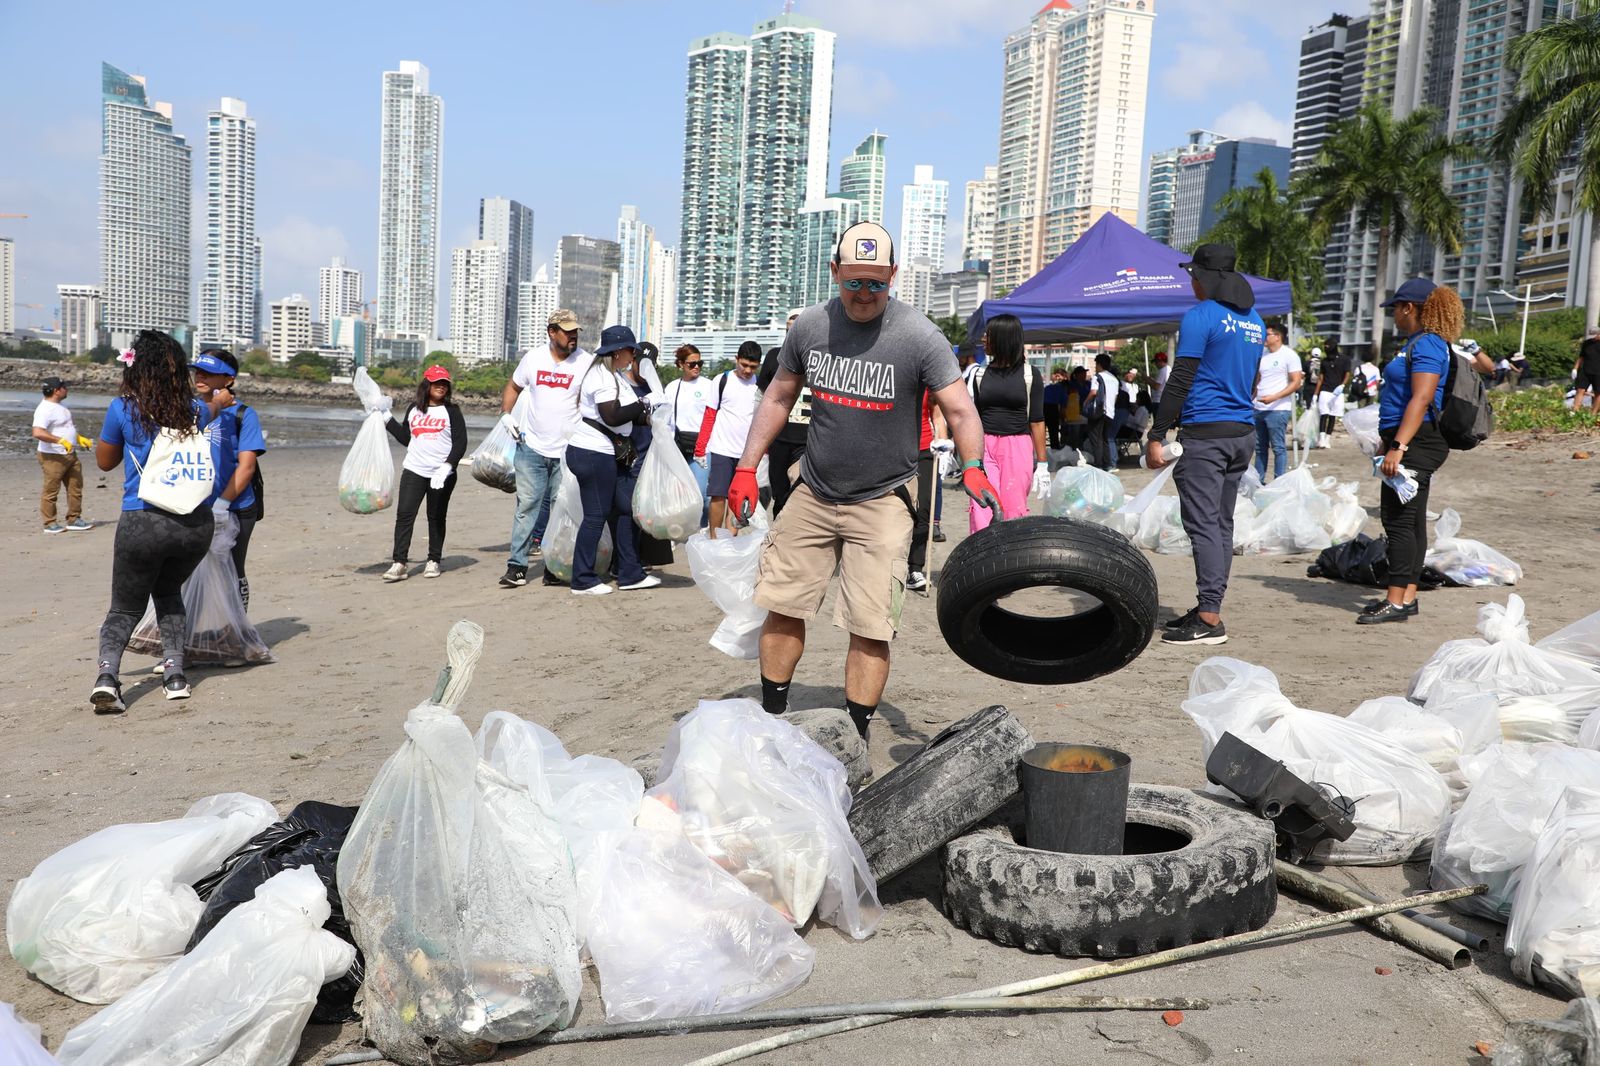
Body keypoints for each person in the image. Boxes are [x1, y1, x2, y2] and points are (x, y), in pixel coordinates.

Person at [728, 221, 997, 740]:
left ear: (893, 276)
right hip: (813, 487)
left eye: (876, 283)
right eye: (854, 282)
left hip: (884, 498)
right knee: (782, 607)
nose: (865, 294)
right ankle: (771, 719)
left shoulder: (919, 336)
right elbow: (779, 398)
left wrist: (976, 465)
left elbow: (960, 411)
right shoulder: (809, 327)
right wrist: (745, 468)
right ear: (835, 273)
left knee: (871, 627)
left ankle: (854, 736)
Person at [92, 330, 231, 712]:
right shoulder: (196, 410)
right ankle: (175, 676)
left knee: (124, 607)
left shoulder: (123, 408)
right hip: (193, 525)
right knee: (169, 595)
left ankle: (107, 678)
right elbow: (214, 413)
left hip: (143, 521)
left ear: (135, 365)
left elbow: (105, 462)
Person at [1144, 243, 1265, 646]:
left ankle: (1210, 617)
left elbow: (1180, 379)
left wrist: (1157, 433)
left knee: (1203, 526)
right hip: (1242, 432)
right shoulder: (1255, 321)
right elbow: (1251, 382)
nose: (1190, 282)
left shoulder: (1201, 316)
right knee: (1221, 524)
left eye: (1193, 275)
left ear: (1207, 278)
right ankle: (1209, 606)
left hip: (1207, 434)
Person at [1359, 279, 1493, 624]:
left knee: (1399, 521)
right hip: (1408, 440)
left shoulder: (1429, 344)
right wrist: (1388, 442)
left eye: (1396, 310)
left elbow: (1421, 397)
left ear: (1409, 308)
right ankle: (1408, 595)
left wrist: (1399, 447)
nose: (1394, 318)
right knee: (1411, 520)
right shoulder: (1416, 343)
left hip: (1418, 443)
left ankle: (1396, 601)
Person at [500, 308, 593, 588]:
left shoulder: (586, 362)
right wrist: (506, 414)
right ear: (552, 332)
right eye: (567, 331)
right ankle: (517, 566)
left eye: (575, 330)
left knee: (560, 511)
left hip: (568, 451)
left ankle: (553, 566)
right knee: (527, 506)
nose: (573, 336)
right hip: (532, 448)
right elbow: (514, 386)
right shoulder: (533, 358)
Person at [567, 325, 662, 596]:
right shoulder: (601, 376)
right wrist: (646, 402)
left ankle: (629, 572)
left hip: (605, 451)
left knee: (625, 508)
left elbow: (629, 414)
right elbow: (612, 415)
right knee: (595, 517)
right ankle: (582, 579)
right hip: (592, 452)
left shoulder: (614, 375)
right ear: (619, 352)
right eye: (631, 350)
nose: (634, 355)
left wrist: (651, 413)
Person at [190, 350, 266, 605]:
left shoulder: (244, 415)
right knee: (189, 570)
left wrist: (222, 504)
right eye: (198, 371)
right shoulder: (189, 411)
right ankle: (195, 629)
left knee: (232, 568)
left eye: (209, 373)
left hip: (236, 506)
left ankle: (235, 631)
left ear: (229, 380)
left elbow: (246, 467)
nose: (200, 376)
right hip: (194, 505)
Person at [966, 313, 1047, 532]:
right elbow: (973, 417)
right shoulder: (979, 374)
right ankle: (981, 556)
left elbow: (1037, 421)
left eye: (988, 335)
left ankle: (1009, 562)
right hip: (984, 446)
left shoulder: (1030, 375)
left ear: (1003, 338)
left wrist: (1043, 464)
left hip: (1017, 446)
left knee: (1013, 508)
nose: (983, 339)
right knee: (981, 504)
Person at [695, 340, 763, 537]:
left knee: (739, 497)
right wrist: (701, 448)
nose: (747, 370)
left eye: (752, 366)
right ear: (736, 360)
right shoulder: (722, 380)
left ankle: (729, 540)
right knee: (718, 496)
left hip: (747, 453)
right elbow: (709, 415)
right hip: (722, 448)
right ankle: (715, 538)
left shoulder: (760, 385)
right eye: (744, 365)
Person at [756, 309, 813, 515]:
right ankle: (779, 534)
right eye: (790, 328)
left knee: (800, 489)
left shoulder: (817, 357)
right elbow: (763, 393)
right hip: (779, 437)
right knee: (779, 491)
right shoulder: (774, 356)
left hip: (807, 439)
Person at [31, 375, 94, 534]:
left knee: (75, 487)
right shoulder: (44, 409)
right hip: (52, 456)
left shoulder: (61, 407)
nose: (66, 389)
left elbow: (66, 428)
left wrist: (79, 439)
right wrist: (60, 441)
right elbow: (37, 432)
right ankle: (49, 523)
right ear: (56, 391)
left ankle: (74, 519)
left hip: (70, 454)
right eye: (63, 387)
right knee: (51, 490)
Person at [1251, 322, 1303, 481]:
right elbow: (1257, 380)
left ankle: (1279, 481)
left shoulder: (1289, 355)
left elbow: (1296, 382)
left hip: (1278, 408)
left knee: (1278, 447)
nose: (1264, 338)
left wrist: (1274, 397)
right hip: (1258, 407)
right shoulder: (1263, 355)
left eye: (1267, 334)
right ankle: (1258, 481)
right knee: (1259, 449)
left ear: (1278, 336)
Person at [1312, 340, 1350, 449]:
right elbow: (1321, 378)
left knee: (1333, 416)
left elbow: (1347, 374)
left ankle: (1328, 439)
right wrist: (1316, 394)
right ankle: (1321, 438)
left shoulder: (1345, 360)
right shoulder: (1324, 362)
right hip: (1325, 390)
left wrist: (1342, 385)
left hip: (1337, 392)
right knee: (1323, 415)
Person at [1085, 353, 1119, 471]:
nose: (1095, 367)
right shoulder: (1114, 379)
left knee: (1095, 438)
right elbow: (1115, 397)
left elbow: (1094, 392)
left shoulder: (1098, 377)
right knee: (1105, 439)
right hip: (1110, 412)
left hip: (1098, 411)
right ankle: (1107, 464)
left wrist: (1085, 402)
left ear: (1099, 364)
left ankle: (1098, 464)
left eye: (1096, 364)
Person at [1573, 329, 1600, 419]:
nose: (1593, 338)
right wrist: (1575, 369)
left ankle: (1593, 414)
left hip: (1598, 372)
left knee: (1598, 393)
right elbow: (1581, 357)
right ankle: (1574, 411)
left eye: (1594, 336)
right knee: (1580, 390)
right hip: (1585, 371)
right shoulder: (1587, 343)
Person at [1042, 366, 1068, 450]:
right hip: (1052, 409)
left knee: (1042, 432)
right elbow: (1063, 407)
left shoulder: (1048, 387)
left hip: (1043, 408)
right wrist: (1063, 419)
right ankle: (1055, 449)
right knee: (1053, 432)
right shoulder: (1062, 389)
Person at [1065, 365, 1089, 448]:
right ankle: (1073, 448)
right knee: (1075, 432)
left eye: (1085, 373)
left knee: (1084, 432)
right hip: (1075, 411)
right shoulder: (1072, 385)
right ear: (1077, 375)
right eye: (1082, 373)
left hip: (1086, 411)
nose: (1084, 375)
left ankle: (1081, 448)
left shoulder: (1088, 384)